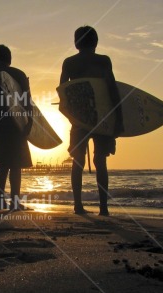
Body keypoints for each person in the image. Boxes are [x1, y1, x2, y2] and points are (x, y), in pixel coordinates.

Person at [59, 26, 123, 216]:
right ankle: (104, 208)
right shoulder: (104, 61)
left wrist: (71, 116)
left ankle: (78, 206)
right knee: (100, 160)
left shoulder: (69, 62)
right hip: (102, 116)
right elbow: (112, 91)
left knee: (77, 161)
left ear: (76, 43)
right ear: (96, 42)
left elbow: (63, 91)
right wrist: (118, 119)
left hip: (80, 118)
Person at [0, 45, 33, 210]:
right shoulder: (20, 74)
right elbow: (27, 100)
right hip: (18, 123)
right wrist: (30, 121)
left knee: (2, 164)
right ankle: (15, 201)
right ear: (9, 59)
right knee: (16, 164)